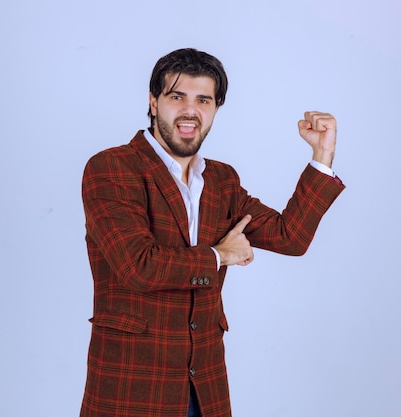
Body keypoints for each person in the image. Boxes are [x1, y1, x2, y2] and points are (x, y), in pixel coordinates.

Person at [79, 48, 345, 417]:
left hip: (204, 389)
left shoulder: (221, 180)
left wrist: (322, 156)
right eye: (177, 97)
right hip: (133, 387)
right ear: (154, 103)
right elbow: (137, 266)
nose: (191, 111)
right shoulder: (111, 168)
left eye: (203, 99)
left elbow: (290, 237)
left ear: (216, 108)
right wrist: (220, 255)